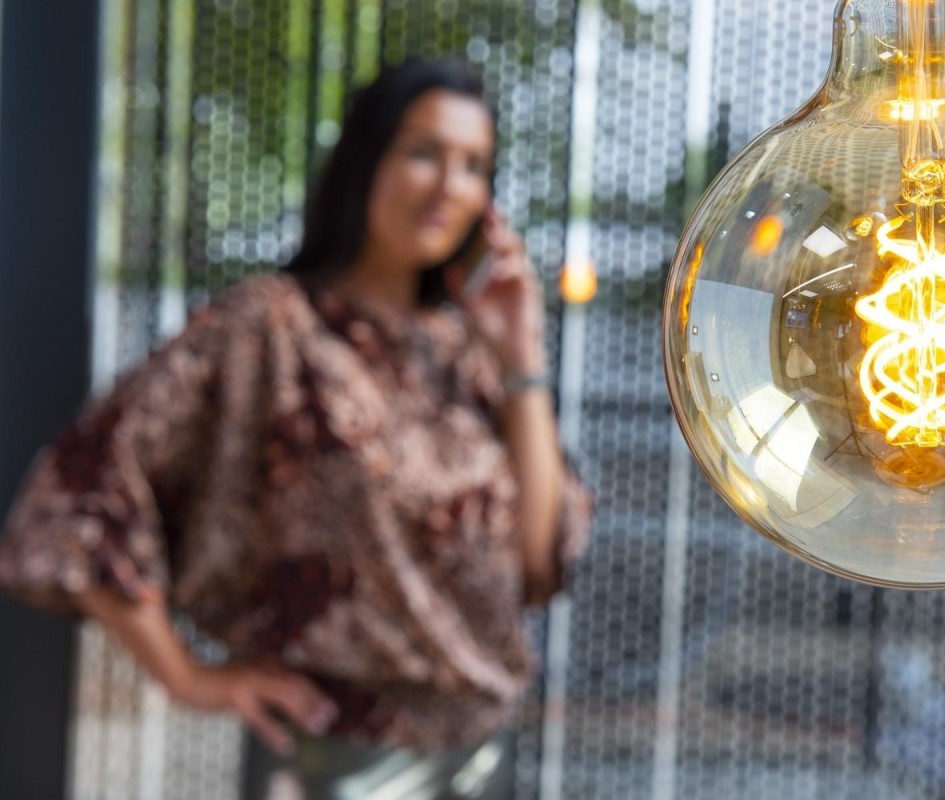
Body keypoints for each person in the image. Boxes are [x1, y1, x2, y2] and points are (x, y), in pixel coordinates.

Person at [0, 57, 592, 799]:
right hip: (337, 763)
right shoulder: (274, 329)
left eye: (474, 165)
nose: (450, 185)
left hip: (485, 756)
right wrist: (185, 676)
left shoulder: (470, 357)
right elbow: (77, 492)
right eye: (423, 152)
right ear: (366, 159)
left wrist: (521, 355)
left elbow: (539, 563)